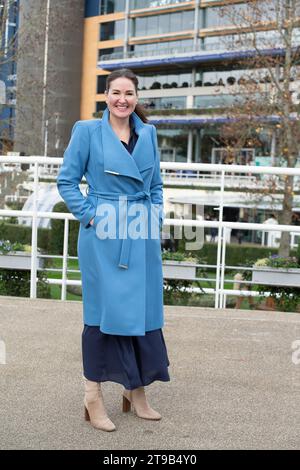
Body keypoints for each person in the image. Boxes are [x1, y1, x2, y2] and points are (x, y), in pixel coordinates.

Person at [57, 68, 170, 432]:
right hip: (103, 236)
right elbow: (67, 181)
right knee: (102, 315)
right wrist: (92, 217)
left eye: (129, 93)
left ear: (137, 98)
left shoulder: (148, 133)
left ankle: (136, 392)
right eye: (116, 92)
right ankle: (93, 396)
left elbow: (156, 185)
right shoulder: (87, 131)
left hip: (141, 235)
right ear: (106, 96)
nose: (123, 99)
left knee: (144, 313)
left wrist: (154, 217)